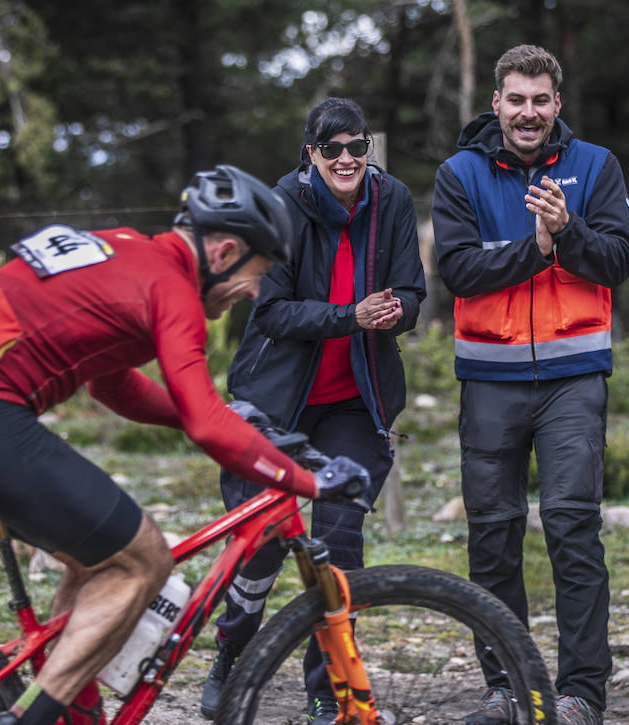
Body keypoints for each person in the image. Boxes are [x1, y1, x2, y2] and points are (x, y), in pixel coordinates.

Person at [0, 164, 372, 725]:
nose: (255, 292)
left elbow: (113, 386)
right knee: (144, 560)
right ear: (223, 253)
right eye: (258, 273)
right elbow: (205, 426)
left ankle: (73, 711)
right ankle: (32, 719)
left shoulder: (125, 252)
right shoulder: (172, 288)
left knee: (100, 558)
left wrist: (234, 418)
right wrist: (309, 481)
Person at [198, 98, 426, 725]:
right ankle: (232, 651)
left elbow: (413, 291)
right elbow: (272, 312)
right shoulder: (282, 206)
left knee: (338, 545)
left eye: (358, 147)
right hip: (277, 402)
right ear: (311, 155)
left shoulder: (392, 200)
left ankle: (327, 687)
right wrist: (351, 315)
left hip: (357, 401)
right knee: (262, 544)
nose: (347, 159)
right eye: (333, 149)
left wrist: (397, 312)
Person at [431, 44, 629, 725]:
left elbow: (616, 262)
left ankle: (581, 695)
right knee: (492, 537)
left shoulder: (595, 166)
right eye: (516, 99)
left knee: (574, 530)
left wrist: (568, 230)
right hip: (491, 381)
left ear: (557, 104)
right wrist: (537, 249)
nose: (528, 112)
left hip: (573, 380)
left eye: (540, 100)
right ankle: (508, 688)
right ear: (496, 103)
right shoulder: (459, 174)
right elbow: (459, 271)